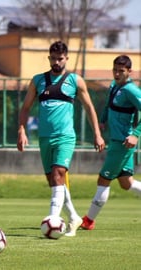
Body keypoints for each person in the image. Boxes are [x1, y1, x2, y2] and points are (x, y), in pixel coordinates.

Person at [17, 41, 105, 237]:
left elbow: (90, 107)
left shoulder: (75, 80)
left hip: (65, 137)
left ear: (66, 58)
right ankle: (74, 217)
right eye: (53, 58)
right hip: (44, 138)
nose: (56, 62)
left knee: (58, 174)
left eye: (60, 58)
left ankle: (53, 220)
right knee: (54, 181)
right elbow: (25, 108)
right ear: (49, 58)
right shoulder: (38, 80)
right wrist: (22, 130)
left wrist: (97, 134)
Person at [81, 55, 141, 230]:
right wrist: (102, 120)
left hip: (123, 143)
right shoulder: (114, 86)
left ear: (130, 72)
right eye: (115, 70)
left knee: (103, 179)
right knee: (126, 183)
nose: (117, 73)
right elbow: (109, 106)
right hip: (116, 141)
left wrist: (136, 134)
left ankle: (89, 221)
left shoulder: (132, 90)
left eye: (121, 71)